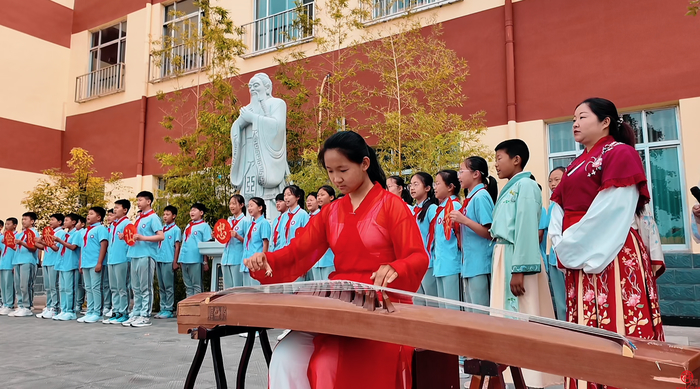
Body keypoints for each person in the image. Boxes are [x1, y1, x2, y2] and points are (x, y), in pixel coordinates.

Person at [245, 130, 428, 389]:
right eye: (330, 171)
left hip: (382, 304)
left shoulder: (391, 205)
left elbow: (417, 256)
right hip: (339, 302)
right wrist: (266, 261)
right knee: (285, 356)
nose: (336, 179)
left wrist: (396, 267)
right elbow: (298, 252)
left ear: (364, 164)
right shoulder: (330, 212)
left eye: (342, 170)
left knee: (329, 361)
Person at [549, 98, 665, 389]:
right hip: (578, 250)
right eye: (573, 117)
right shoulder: (575, 165)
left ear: (605, 122)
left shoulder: (619, 153)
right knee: (585, 329)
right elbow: (558, 209)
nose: (574, 123)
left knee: (618, 320)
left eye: (582, 117)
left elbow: (613, 208)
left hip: (611, 249)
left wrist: (571, 244)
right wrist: (561, 242)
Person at [490, 139, 560, 388]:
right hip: (503, 254)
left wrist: (519, 270)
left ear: (516, 159)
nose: (496, 164)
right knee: (505, 317)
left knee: (524, 312)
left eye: (499, 158)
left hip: (517, 258)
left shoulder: (528, 187)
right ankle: (510, 371)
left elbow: (527, 228)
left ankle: (531, 374)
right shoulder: (510, 187)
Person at [451, 156, 496, 309]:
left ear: (476, 174)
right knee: (472, 313)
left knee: (481, 313)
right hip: (470, 265)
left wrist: (464, 220)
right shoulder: (470, 198)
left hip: (480, 265)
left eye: (462, 171)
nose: (459, 176)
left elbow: (490, 232)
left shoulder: (481, 196)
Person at [122, 191, 164, 328]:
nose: (138, 203)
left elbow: (161, 236)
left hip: (146, 255)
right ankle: (136, 312)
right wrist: (125, 236)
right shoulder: (139, 218)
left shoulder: (153, 218)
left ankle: (145, 315)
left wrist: (143, 238)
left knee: (145, 287)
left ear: (148, 201)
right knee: (136, 287)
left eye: (140, 200)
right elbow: (134, 235)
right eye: (138, 200)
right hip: (134, 254)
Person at [431, 170, 462, 307]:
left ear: (450, 187)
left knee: (452, 309)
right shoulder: (441, 209)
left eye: (438, 183)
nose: (435, 187)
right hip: (440, 266)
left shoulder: (454, 206)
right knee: (443, 310)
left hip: (452, 266)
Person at [409, 172, 439, 306]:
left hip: (428, 262)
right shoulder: (414, 210)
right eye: (410, 185)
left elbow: (437, 235)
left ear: (427, 188)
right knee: (418, 302)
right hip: (415, 262)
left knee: (431, 302)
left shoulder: (432, 209)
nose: (412, 188)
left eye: (416, 184)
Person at [77, 207, 109, 323]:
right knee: (88, 288)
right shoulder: (85, 231)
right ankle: (90, 311)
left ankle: (97, 312)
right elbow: (82, 248)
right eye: (88, 214)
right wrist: (81, 263)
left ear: (99, 217)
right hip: (86, 263)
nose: (88, 216)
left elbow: (103, 245)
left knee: (96, 288)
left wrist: (99, 262)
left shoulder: (101, 229)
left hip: (95, 262)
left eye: (91, 214)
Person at [543, 167, 567, 321]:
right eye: (550, 181)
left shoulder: (572, 203)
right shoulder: (551, 207)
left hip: (568, 259)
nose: (553, 184)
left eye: (557, 180)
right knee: (560, 301)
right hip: (554, 259)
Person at [10, 212, 43, 317]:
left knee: (25, 285)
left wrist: (22, 243)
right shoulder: (21, 233)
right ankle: (20, 306)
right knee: (18, 285)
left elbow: (34, 248)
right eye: (22, 219)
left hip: (27, 261)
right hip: (17, 260)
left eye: (25, 219)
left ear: (32, 221)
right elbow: (17, 248)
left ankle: (27, 307)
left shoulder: (33, 233)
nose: (23, 221)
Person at [177, 203, 212, 298]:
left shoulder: (204, 226)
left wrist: (205, 261)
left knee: (197, 286)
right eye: (191, 210)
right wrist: (180, 259)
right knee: (188, 286)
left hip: (196, 259)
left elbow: (206, 245)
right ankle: (190, 308)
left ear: (201, 212)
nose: (191, 212)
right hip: (185, 259)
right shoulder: (189, 225)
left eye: (194, 210)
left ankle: (197, 308)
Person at [105, 199, 132, 324]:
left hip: (122, 259)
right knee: (114, 288)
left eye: (117, 207)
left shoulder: (127, 224)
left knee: (122, 288)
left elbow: (131, 241)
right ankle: (115, 312)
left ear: (125, 210)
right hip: (112, 259)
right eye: (114, 207)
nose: (115, 210)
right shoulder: (112, 225)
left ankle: (124, 312)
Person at [52, 213, 81, 321]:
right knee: (62, 288)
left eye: (67, 220)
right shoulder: (65, 235)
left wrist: (60, 241)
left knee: (70, 289)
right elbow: (57, 248)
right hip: (62, 263)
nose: (65, 222)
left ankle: (70, 311)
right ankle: (64, 310)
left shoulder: (76, 234)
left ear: (73, 222)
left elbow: (73, 247)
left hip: (70, 264)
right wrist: (46, 242)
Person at [155, 205, 182, 318]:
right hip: (159, 259)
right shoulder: (161, 229)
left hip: (169, 260)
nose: (165, 217)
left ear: (174, 216)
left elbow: (177, 246)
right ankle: (162, 307)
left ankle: (169, 309)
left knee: (169, 286)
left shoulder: (176, 230)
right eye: (164, 214)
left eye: (168, 214)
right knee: (161, 286)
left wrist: (175, 261)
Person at [36, 213, 64, 319]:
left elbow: (56, 248)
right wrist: (38, 242)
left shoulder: (60, 233)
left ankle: (55, 308)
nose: (50, 222)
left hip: (54, 261)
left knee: (53, 286)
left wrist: (44, 242)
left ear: (59, 222)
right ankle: (48, 306)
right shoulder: (48, 232)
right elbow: (45, 247)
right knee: (47, 287)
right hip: (47, 261)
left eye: (53, 219)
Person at [241, 197, 271, 288]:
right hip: (247, 263)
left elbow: (265, 243)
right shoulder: (251, 224)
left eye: (251, 205)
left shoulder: (264, 223)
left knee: (257, 292)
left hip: (257, 264)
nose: (249, 208)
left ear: (260, 208)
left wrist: (263, 262)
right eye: (248, 206)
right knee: (247, 292)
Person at [311, 185, 336, 281]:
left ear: (331, 197)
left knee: (329, 290)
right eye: (318, 195)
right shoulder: (316, 216)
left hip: (329, 259)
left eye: (322, 195)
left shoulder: (335, 213)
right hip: (317, 260)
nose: (319, 197)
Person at [221, 195, 246, 289]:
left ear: (241, 205)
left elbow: (249, 242)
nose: (231, 206)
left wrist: (237, 236)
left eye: (234, 204)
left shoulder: (245, 221)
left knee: (237, 287)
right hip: (226, 258)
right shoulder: (229, 220)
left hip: (237, 258)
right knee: (227, 288)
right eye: (230, 204)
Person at [0, 218, 17, 315]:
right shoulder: (4, 237)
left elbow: (16, 251)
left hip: (10, 263)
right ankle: (5, 304)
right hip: (3, 263)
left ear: (14, 225)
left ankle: (10, 305)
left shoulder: (16, 236)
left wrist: (15, 264)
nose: (6, 226)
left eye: (8, 224)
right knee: (3, 286)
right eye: (6, 224)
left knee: (9, 285)